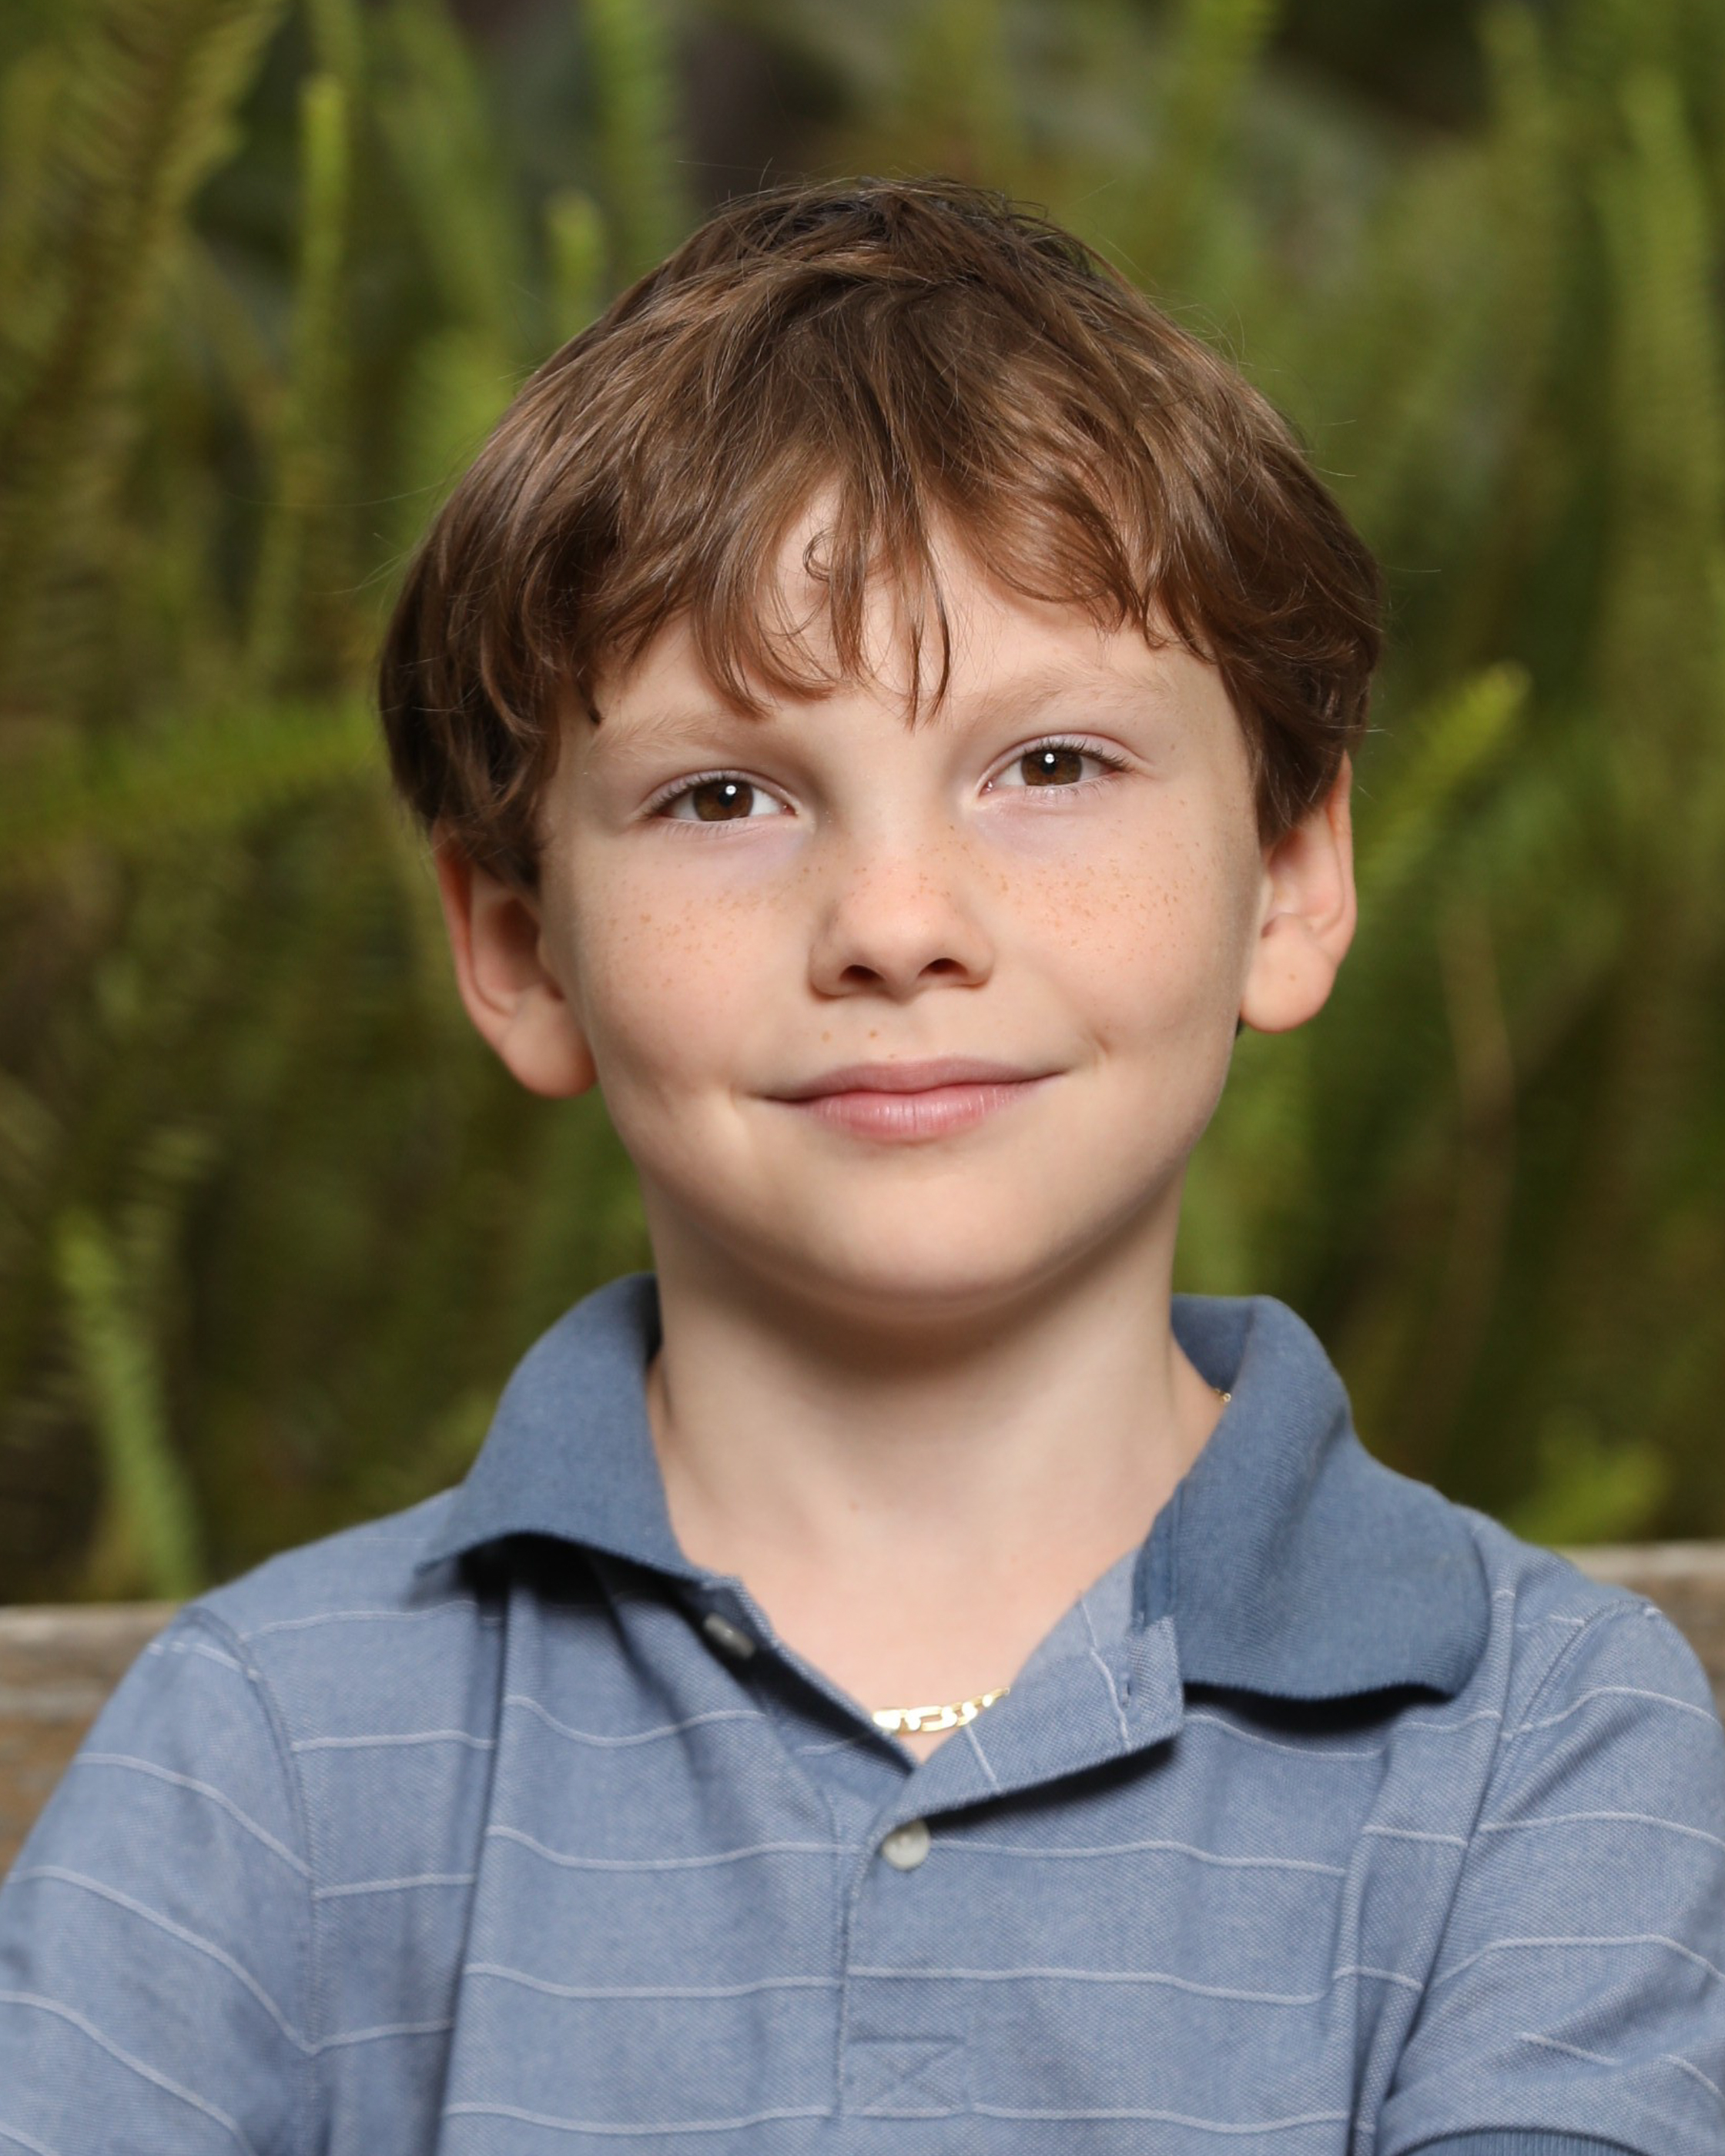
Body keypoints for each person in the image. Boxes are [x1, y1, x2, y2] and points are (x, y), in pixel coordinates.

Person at [0, 177, 1720, 2156]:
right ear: (521, 949)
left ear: (1290, 877)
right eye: (723, 793)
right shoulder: (270, 1756)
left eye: (1050, 764)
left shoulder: (1543, 1743)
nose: (896, 922)